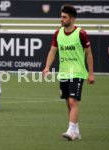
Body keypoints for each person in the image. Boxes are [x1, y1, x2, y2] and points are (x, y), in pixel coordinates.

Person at [42, 4, 95, 141]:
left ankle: (71, 131)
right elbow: (53, 51)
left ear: (72, 19)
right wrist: (47, 67)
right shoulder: (58, 33)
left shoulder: (81, 33)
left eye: (64, 17)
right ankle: (75, 131)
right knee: (68, 103)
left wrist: (90, 73)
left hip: (77, 73)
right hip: (64, 73)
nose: (61, 19)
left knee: (73, 101)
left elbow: (89, 54)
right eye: (61, 16)